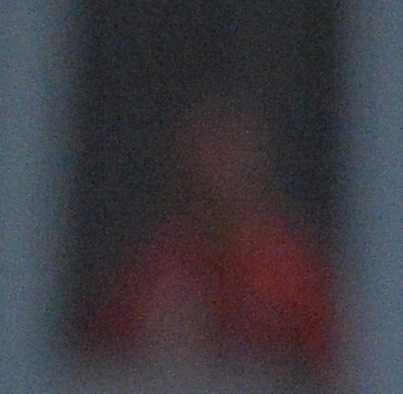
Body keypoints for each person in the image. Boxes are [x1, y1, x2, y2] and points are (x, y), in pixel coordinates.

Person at [88, 94, 334, 376]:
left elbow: (337, 370)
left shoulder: (290, 270)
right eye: (205, 159)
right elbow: (100, 366)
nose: (217, 176)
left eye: (229, 157)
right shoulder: (155, 268)